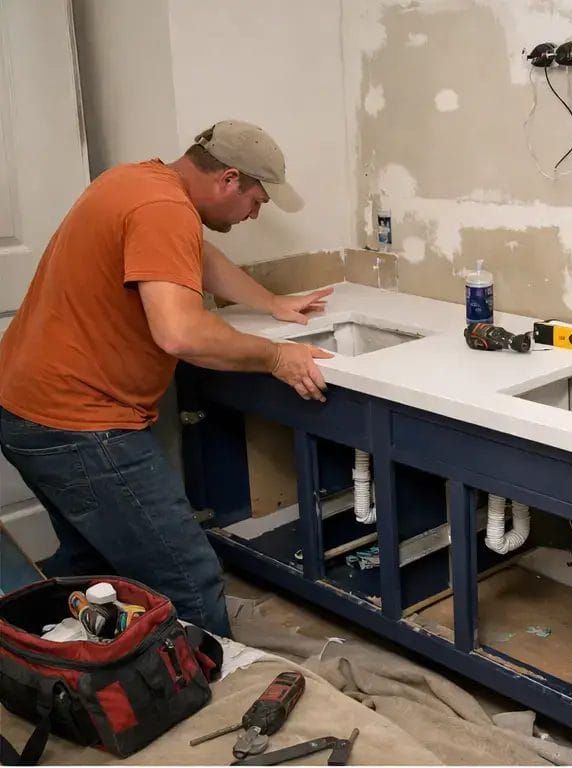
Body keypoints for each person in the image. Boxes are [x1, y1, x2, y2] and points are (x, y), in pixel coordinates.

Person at [0, 120, 335, 638]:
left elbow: (196, 256)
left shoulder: (139, 182)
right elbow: (180, 333)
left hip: (27, 407)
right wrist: (275, 358)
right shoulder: (164, 210)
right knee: (189, 576)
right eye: (256, 201)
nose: (254, 214)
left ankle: (101, 673)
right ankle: (204, 689)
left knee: (92, 566)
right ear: (228, 179)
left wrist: (269, 302)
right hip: (79, 423)